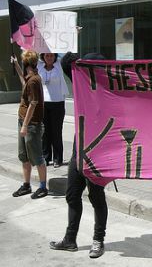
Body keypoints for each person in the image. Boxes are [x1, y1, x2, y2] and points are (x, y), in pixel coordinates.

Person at [49, 52, 108, 259]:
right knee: (72, 195)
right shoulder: (80, 85)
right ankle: (70, 239)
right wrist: (74, 48)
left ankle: (98, 240)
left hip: (98, 154)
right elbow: (65, 63)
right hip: (78, 151)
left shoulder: (110, 90)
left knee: (96, 197)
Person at [11, 50, 48, 199]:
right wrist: (15, 65)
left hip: (31, 124)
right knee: (24, 156)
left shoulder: (34, 80)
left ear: (26, 63)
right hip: (24, 121)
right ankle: (26, 185)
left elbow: (33, 103)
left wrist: (25, 125)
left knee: (37, 156)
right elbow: (23, 81)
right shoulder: (30, 78)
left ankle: (43, 187)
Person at [38, 52, 69, 167]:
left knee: (56, 132)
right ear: (43, 57)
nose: (49, 58)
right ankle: (46, 157)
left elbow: (67, 55)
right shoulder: (39, 66)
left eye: (51, 56)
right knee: (45, 132)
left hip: (58, 102)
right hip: (43, 103)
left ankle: (57, 158)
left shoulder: (59, 66)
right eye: (47, 56)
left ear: (55, 57)